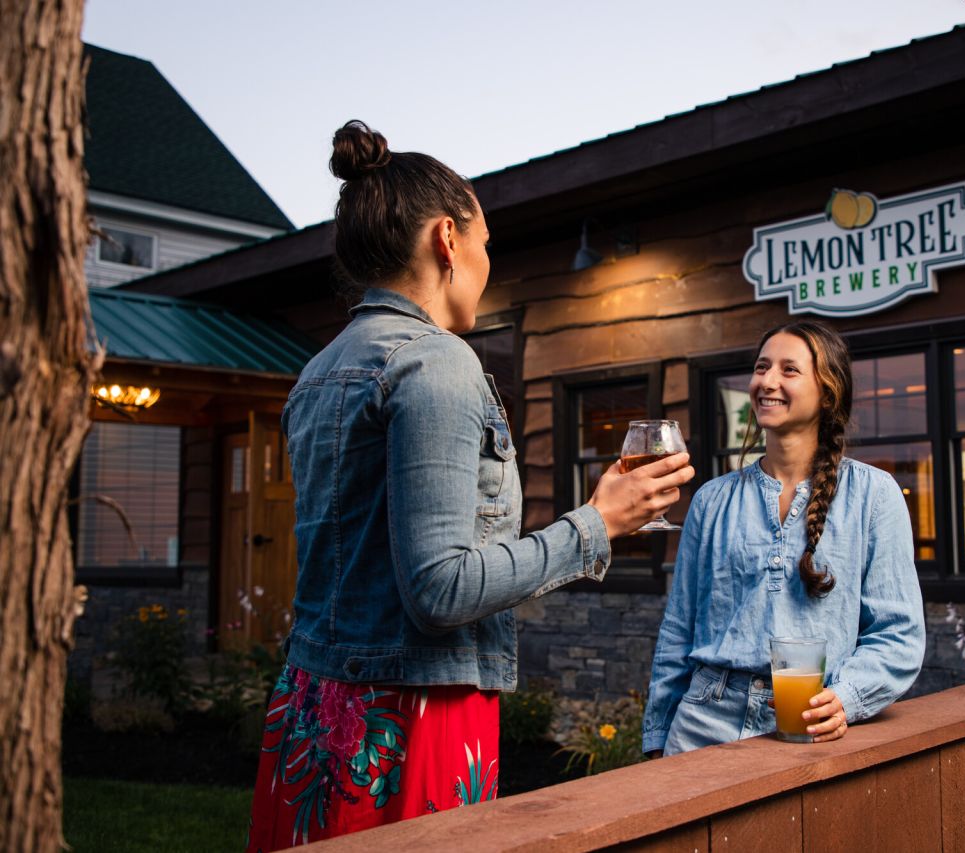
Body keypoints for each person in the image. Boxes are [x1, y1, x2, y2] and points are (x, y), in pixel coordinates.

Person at [246, 121, 694, 851]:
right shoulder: (438, 363)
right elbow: (441, 589)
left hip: (312, 709)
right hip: (407, 719)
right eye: (487, 244)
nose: (489, 263)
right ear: (447, 240)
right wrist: (598, 523)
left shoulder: (317, 371)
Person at [642, 321, 924, 757]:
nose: (766, 381)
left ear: (827, 392)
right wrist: (658, 737)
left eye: (789, 370)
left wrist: (845, 698)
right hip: (702, 722)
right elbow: (679, 630)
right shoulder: (712, 500)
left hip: (809, 722)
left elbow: (899, 635)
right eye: (761, 367)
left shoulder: (873, 494)